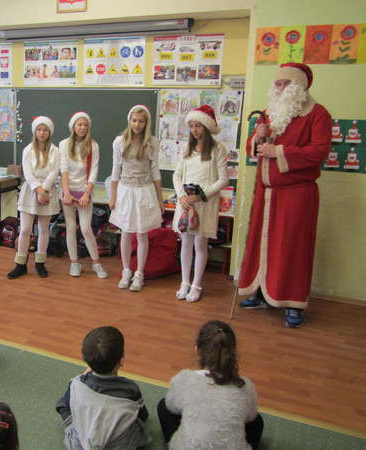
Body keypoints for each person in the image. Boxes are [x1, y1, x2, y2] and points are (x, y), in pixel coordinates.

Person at [238, 63, 332, 328]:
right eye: (277, 84)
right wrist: (257, 138)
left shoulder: (318, 114)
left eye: (285, 84)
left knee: (293, 248)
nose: (280, 89)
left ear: (299, 87)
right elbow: (252, 149)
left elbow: (319, 151)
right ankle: (261, 291)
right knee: (261, 244)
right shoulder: (269, 113)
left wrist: (278, 151)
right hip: (266, 194)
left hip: (296, 195)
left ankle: (293, 302)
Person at [157, 320, 263, 450]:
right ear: (232, 352)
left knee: (163, 406)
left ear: (197, 349)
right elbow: (251, 416)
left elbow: (171, 406)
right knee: (258, 422)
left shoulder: (184, 379)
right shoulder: (245, 386)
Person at [56, 326, 151, 449]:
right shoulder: (131, 390)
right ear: (122, 360)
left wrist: (83, 378)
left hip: (79, 445)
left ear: (86, 360)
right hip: (117, 446)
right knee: (138, 427)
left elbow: (64, 405)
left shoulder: (75, 383)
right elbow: (143, 416)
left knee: (65, 404)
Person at [172, 105, 229, 302]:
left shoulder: (217, 149)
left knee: (200, 244)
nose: (194, 130)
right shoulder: (186, 149)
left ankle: (196, 285)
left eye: (198, 126)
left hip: (204, 204)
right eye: (191, 126)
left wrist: (201, 195)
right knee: (185, 243)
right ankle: (184, 283)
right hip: (186, 205)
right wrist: (181, 196)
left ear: (206, 127)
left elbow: (223, 180)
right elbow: (177, 175)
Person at [109, 105, 164, 292]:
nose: (137, 124)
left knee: (142, 234)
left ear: (146, 123)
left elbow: (155, 171)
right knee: (125, 232)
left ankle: (139, 273)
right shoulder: (120, 141)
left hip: (144, 190)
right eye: (134, 120)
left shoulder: (152, 142)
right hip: (126, 190)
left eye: (141, 121)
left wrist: (160, 199)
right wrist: (113, 197)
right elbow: (115, 170)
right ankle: (126, 270)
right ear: (129, 121)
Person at [7, 116, 60, 279]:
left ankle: (40, 263)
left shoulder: (55, 151)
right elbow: (27, 173)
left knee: (43, 229)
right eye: (39, 129)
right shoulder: (28, 150)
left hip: (47, 191)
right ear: (35, 131)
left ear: (49, 132)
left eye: (45, 130)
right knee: (25, 229)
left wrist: (44, 190)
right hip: (31, 191)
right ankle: (20, 264)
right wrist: (38, 190)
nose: (42, 133)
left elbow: (54, 172)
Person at [59, 112, 108, 279]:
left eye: (85, 125)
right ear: (73, 126)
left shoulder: (93, 145)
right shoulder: (64, 144)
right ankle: (74, 262)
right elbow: (64, 170)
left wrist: (87, 193)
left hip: (84, 191)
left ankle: (96, 263)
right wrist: (66, 193)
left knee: (86, 228)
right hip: (68, 191)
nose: (82, 128)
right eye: (79, 124)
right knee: (71, 227)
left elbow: (94, 171)